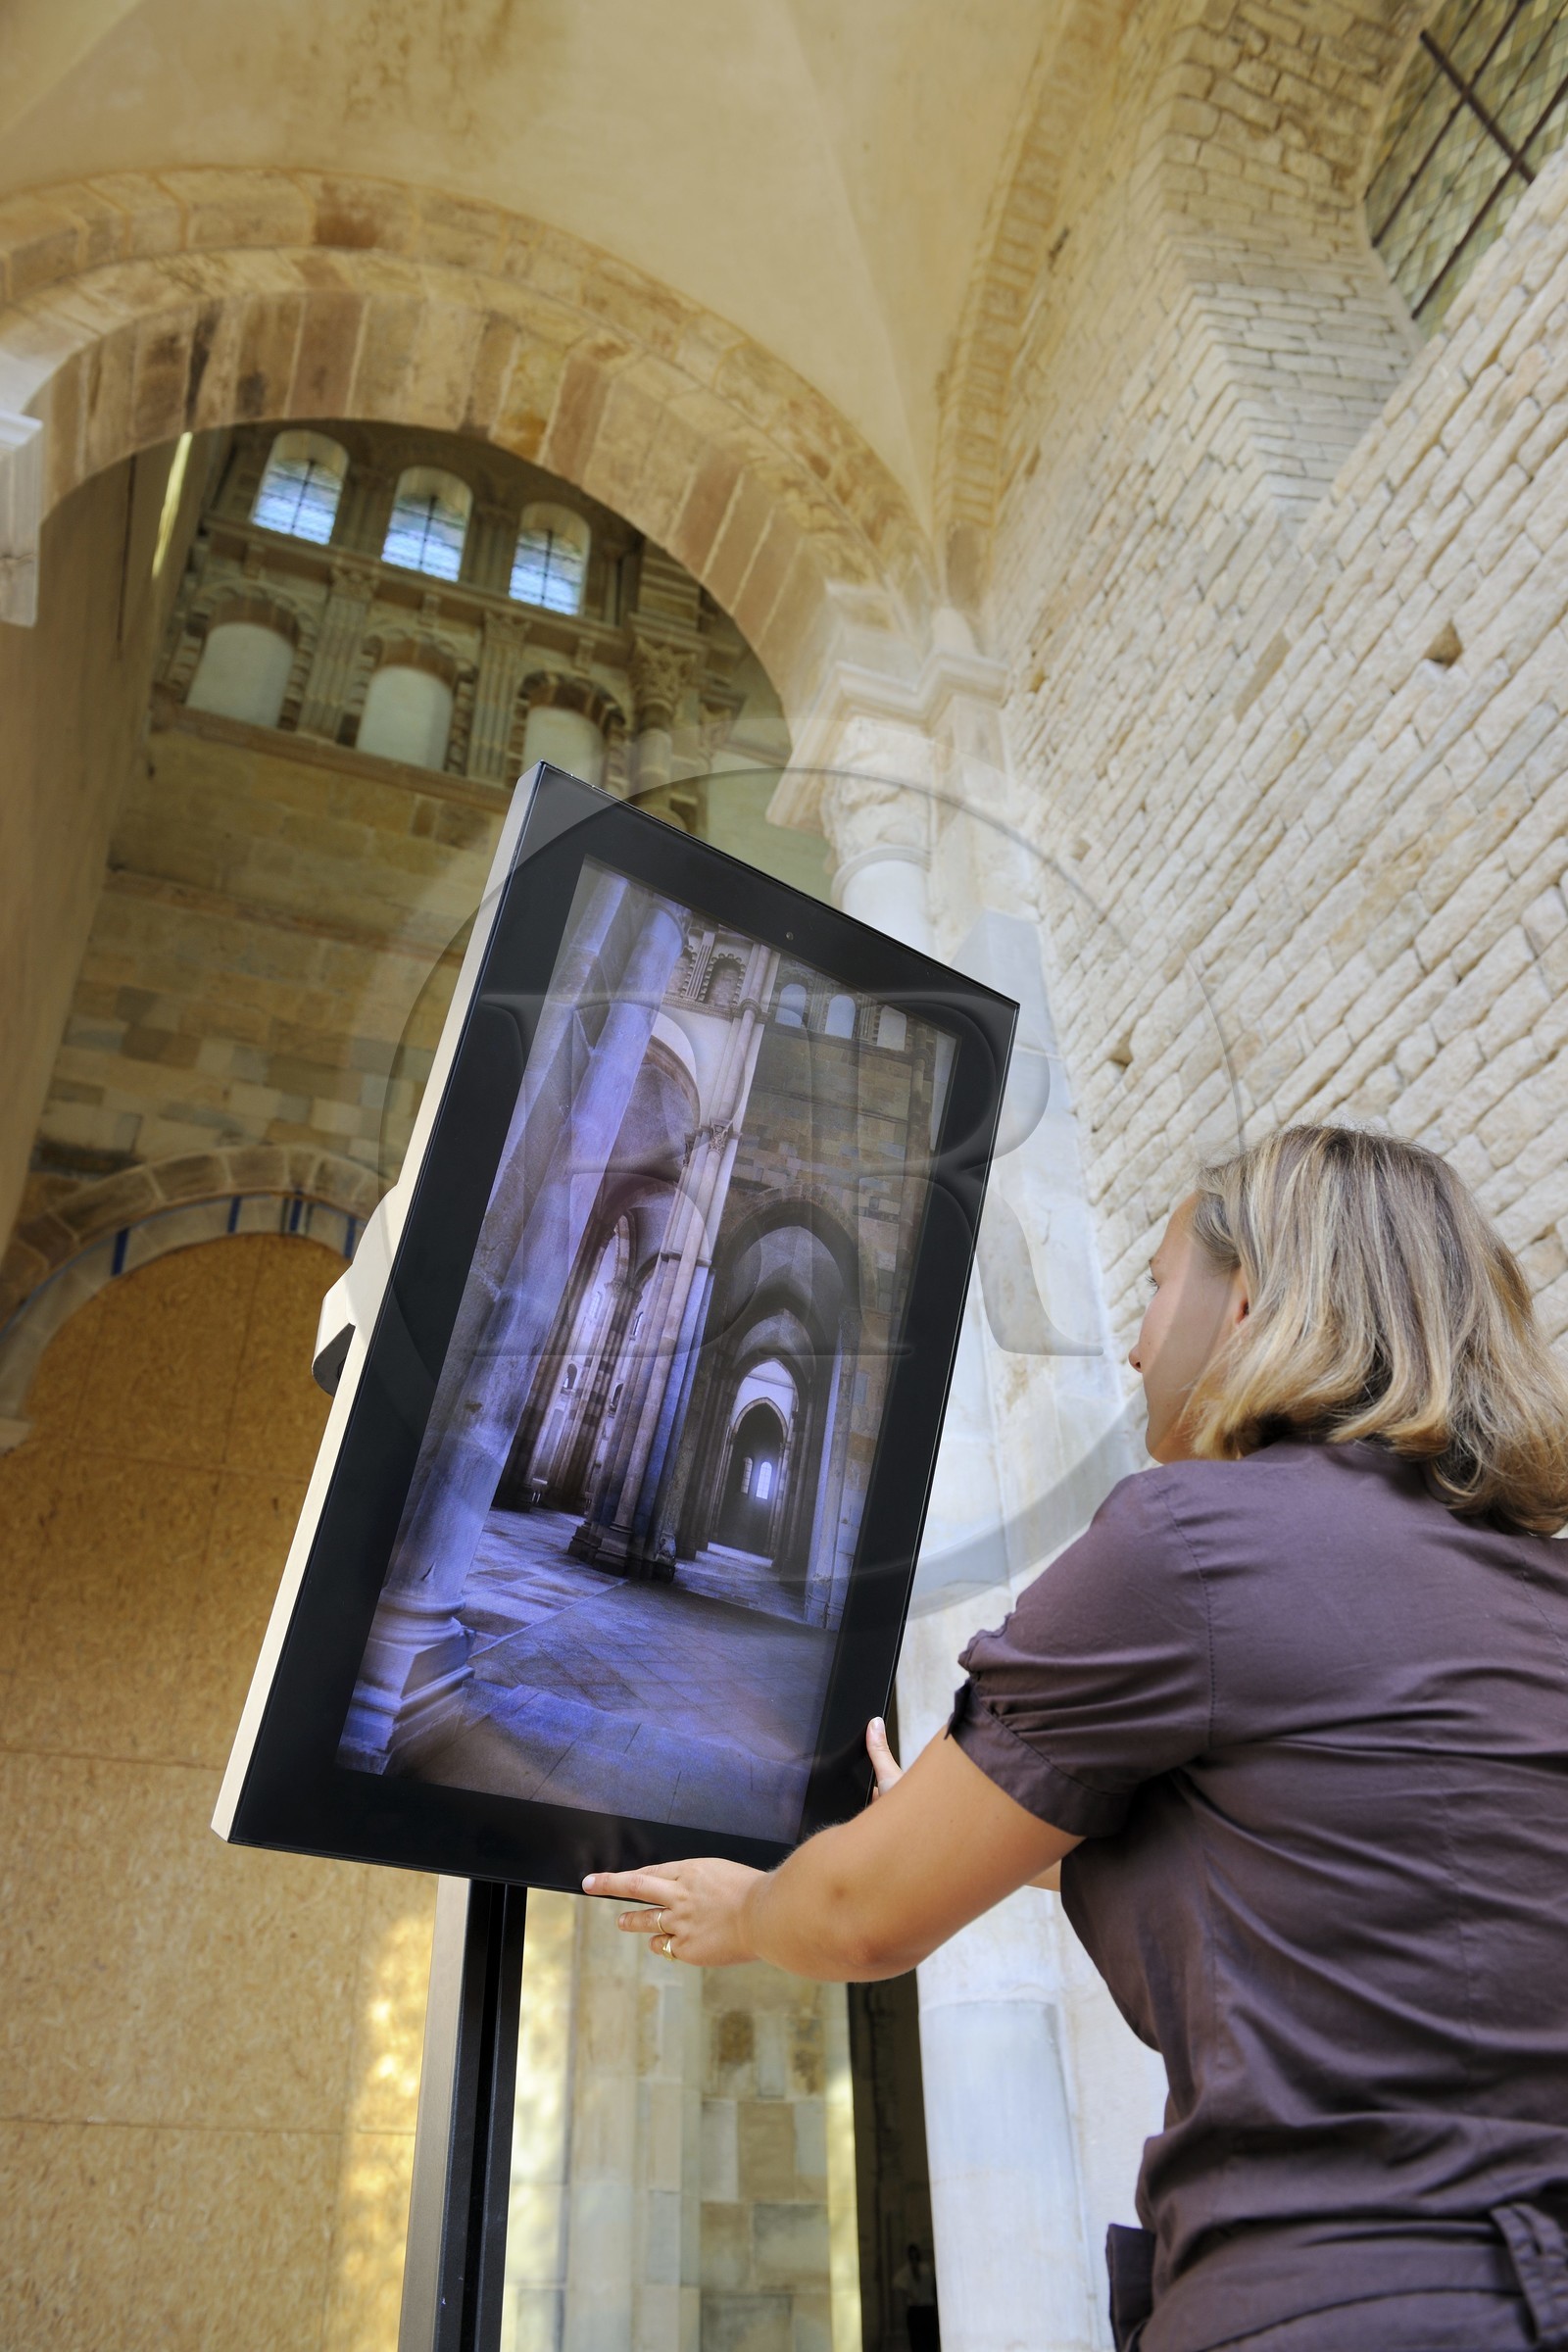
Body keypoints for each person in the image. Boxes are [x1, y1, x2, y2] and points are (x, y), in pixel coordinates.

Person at [586, 1125, 1568, 2350]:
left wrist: (751, 1911)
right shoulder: (1538, 1590)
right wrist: (981, 1824)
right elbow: (1355, 1868)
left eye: (1157, 1289)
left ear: (1249, 1300)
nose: (1139, 1337)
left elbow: (859, 1916)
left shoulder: (1196, 1546)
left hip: (1354, 2301)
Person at [893, 2239, 939, 2352]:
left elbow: (896, 2283)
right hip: (920, 2309)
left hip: (924, 2308)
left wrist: (910, 2294)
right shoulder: (915, 2269)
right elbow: (896, 2283)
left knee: (925, 2341)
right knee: (922, 2342)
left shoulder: (924, 2268)